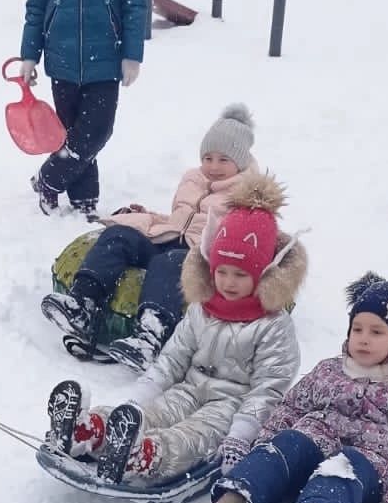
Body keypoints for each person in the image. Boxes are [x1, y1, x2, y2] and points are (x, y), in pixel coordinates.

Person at [45, 175, 305, 483]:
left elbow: (269, 388)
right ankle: (88, 430)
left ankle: (143, 456)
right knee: (151, 415)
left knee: (191, 437)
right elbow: (172, 359)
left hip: (230, 407)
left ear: (263, 275)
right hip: (187, 390)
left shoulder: (273, 325)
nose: (229, 282)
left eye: (240, 274)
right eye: (221, 271)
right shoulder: (202, 309)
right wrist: (138, 399)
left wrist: (242, 433)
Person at [177, 272, 388, 503]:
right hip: (314, 446)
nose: (364, 340)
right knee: (287, 444)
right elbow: (290, 408)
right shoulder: (330, 370)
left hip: (365, 472)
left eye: (377, 332)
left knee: (340, 470)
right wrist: (267, 450)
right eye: (357, 329)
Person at [40, 103, 259, 369]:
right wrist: (149, 216)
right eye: (208, 158)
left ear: (241, 161)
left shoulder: (248, 195)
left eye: (223, 160)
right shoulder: (194, 179)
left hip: (200, 255)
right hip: (168, 237)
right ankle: (83, 303)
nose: (213, 166)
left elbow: (248, 238)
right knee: (119, 235)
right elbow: (182, 220)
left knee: (168, 263)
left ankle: (150, 336)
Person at [19, 0, 146, 222]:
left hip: (104, 60)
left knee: (97, 131)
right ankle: (85, 199)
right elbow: (36, 5)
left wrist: (132, 54)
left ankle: (48, 179)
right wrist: (29, 55)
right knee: (71, 133)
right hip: (61, 61)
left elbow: (135, 2)